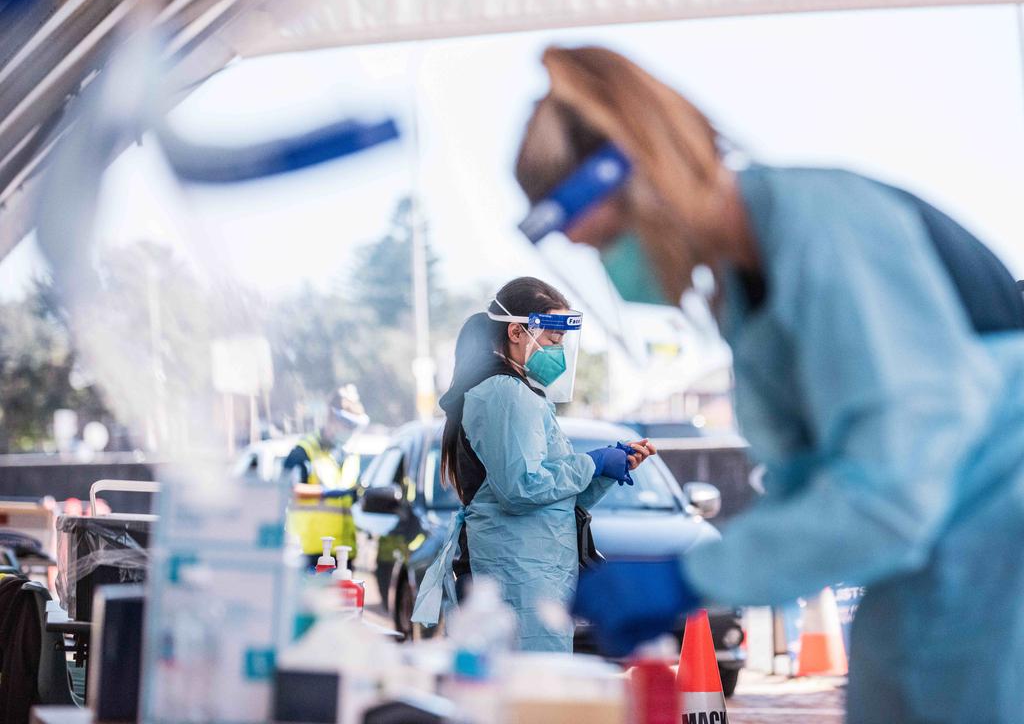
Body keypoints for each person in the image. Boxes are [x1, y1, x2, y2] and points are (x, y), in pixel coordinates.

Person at [513, 46, 1024, 722]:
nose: (615, 269)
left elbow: (896, 490)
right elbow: (815, 489)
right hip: (926, 583)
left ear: (648, 184)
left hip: (995, 569)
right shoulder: (747, 293)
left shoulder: (828, 231)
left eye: (608, 242)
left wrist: (694, 575)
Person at [411, 277, 654, 651]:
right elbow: (521, 488)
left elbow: (548, 498)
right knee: (528, 691)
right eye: (554, 341)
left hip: (532, 573)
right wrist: (591, 462)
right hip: (519, 578)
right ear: (517, 331)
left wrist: (604, 469)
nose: (559, 351)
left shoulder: (516, 391)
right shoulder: (504, 392)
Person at [285, 385, 369, 570]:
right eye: (347, 424)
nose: (350, 430)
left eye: (354, 426)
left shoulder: (350, 455)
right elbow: (289, 489)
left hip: (343, 554)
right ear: (331, 418)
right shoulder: (305, 451)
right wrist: (328, 492)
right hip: (309, 554)